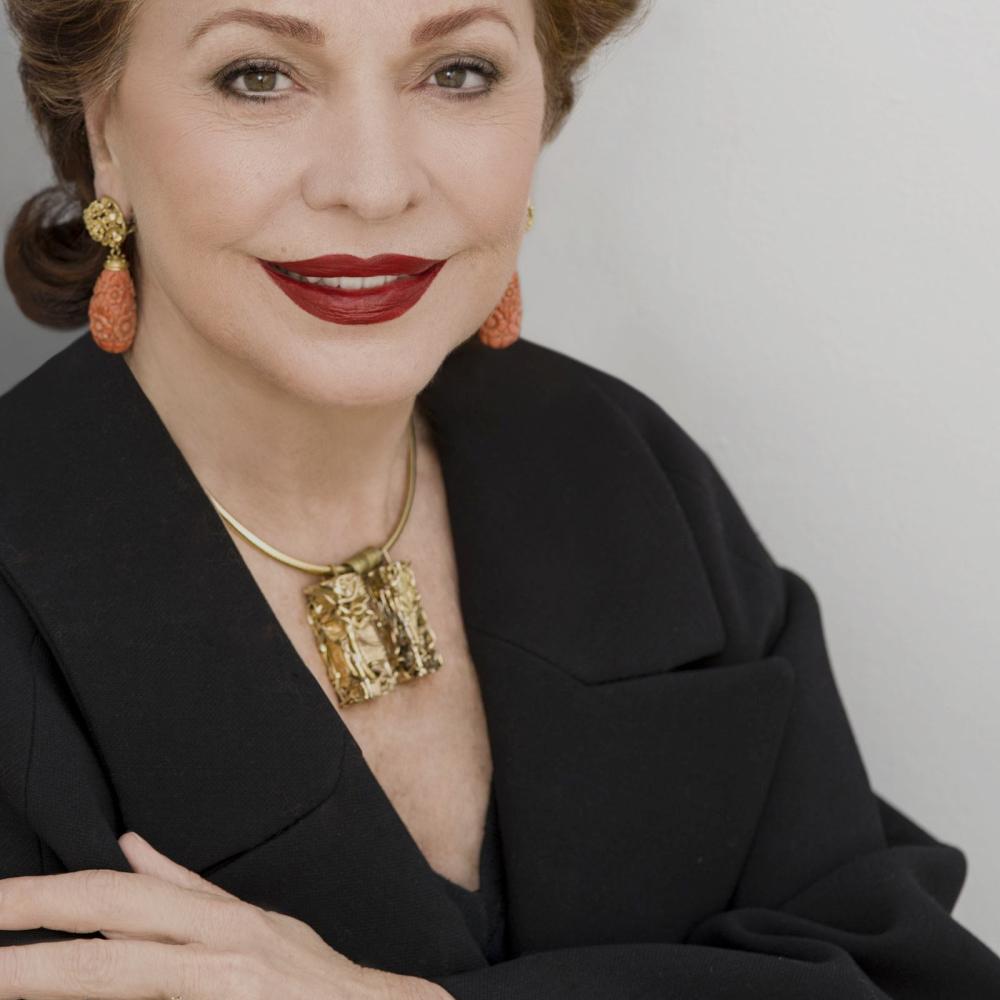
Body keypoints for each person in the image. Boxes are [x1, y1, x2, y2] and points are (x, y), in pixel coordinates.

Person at [1, 1, 999, 998]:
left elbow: (905, 966)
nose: (375, 186)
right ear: (105, 128)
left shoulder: (616, 464)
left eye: (457, 73)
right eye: (257, 76)